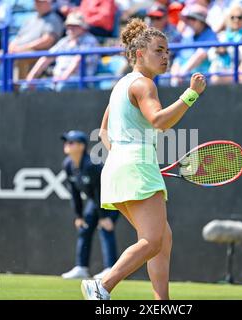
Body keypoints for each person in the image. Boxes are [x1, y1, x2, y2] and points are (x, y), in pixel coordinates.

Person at [80, 18, 207, 300]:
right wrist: (191, 95)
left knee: (163, 239)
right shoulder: (144, 84)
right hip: (134, 165)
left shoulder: (120, 85)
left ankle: (162, 302)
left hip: (118, 168)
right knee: (152, 241)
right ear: (139, 54)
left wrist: (128, 160)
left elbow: (103, 132)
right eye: (159, 50)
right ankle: (102, 285)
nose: (166, 57)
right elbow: (159, 121)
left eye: (167, 51)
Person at [60, 130, 120, 280]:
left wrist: (105, 216)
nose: (67, 145)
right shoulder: (67, 165)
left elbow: (101, 190)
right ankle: (81, 267)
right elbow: (74, 192)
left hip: (112, 197)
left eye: (71, 142)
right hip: (96, 200)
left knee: (105, 228)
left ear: (81, 146)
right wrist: (79, 215)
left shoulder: (92, 165)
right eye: (66, 142)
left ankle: (110, 268)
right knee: (84, 229)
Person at [23, 11, 99, 91]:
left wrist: (63, 77)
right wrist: (31, 77)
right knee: (26, 87)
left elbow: (78, 60)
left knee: (62, 87)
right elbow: (47, 58)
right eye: (69, 25)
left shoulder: (90, 40)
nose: (71, 28)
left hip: (81, 82)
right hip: (58, 80)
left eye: (75, 25)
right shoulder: (64, 41)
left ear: (83, 27)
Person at [8, 0, 64, 81]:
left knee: (21, 57)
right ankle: (2, 90)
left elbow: (47, 41)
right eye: (36, 2)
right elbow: (18, 37)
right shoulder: (30, 18)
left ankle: (21, 89)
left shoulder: (54, 19)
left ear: (48, 3)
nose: (38, 4)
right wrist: (12, 46)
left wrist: (23, 48)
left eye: (41, 2)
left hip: (40, 53)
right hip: (20, 50)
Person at [170, 4, 217, 86]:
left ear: (201, 21)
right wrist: (174, 77)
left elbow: (201, 55)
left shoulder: (210, 35)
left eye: (192, 18)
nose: (189, 21)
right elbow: (178, 60)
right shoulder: (187, 37)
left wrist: (182, 73)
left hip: (203, 83)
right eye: (188, 18)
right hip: (184, 81)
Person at [208, 3, 242, 84]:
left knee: (216, 79)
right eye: (232, 17)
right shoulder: (223, 35)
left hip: (238, 70)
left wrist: (227, 50)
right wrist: (217, 51)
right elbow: (210, 54)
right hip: (221, 70)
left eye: (239, 17)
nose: (236, 20)